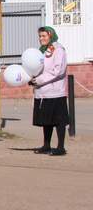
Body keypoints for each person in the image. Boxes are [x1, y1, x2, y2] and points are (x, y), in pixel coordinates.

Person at [30, 26, 69, 156]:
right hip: (42, 92)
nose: (41, 39)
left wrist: (39, 80)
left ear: (50, 35)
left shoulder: (59, 50)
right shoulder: (42, 50)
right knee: (46, 120)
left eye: (44, 36)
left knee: (58, 120)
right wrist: (32, 78)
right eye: (40, 36)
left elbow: (58, 71)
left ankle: (60, 147)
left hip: (55, 91)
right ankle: (46, 145)